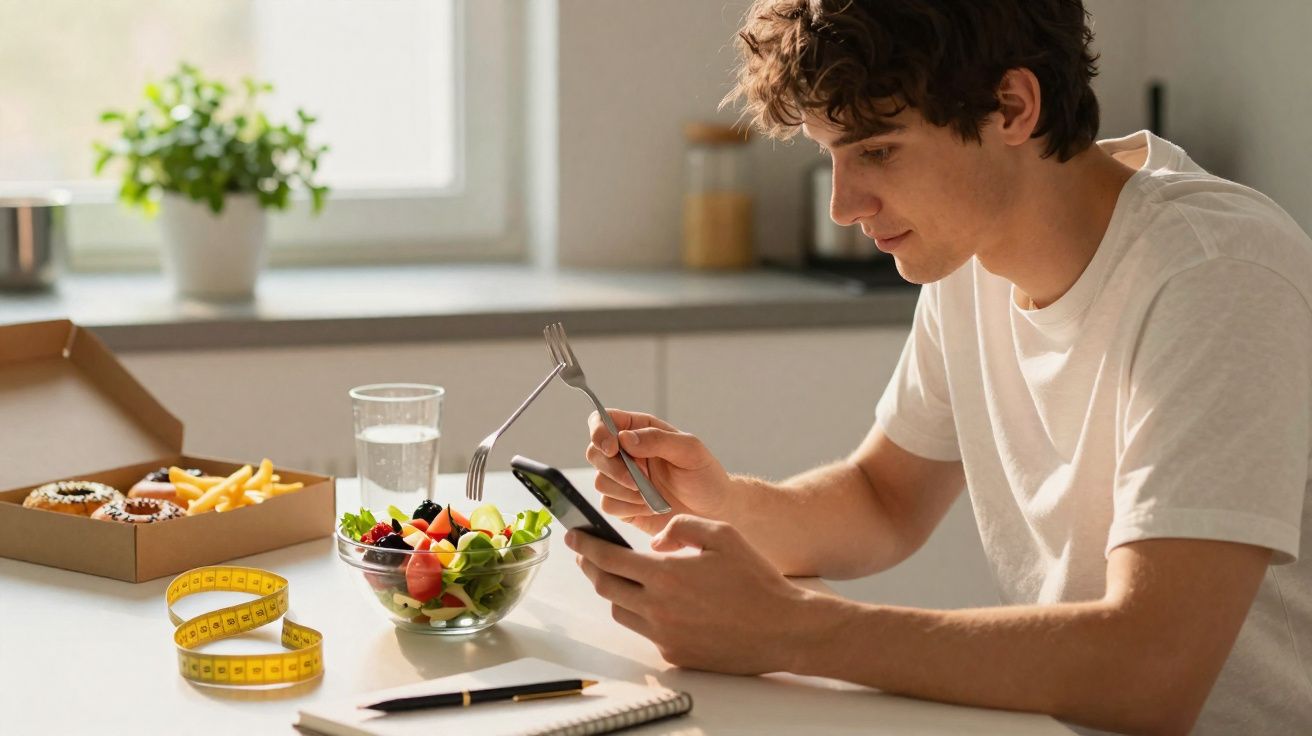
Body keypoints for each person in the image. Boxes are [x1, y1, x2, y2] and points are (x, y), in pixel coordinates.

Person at [564, 1, 1312, 734]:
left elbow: (1154, 671)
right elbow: (883, 499)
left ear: (1012, 107)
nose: (843, 206)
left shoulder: (1218, 273)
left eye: (876, 150)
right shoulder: (972, 253)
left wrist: (792, 629)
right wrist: (724, 504)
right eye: (832, 155)